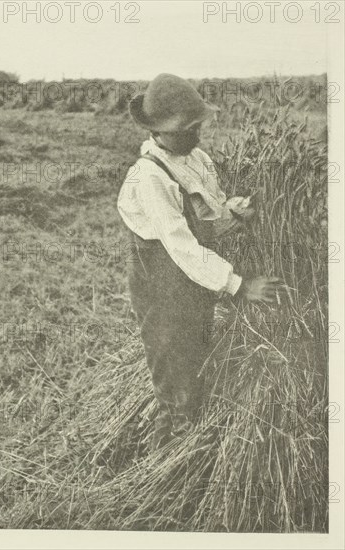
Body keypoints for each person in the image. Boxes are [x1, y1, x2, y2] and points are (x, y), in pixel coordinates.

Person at [117, 73, 283, 451]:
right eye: (189, 128)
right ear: (160, 130)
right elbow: (183, 247)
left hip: (192, 285)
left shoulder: (197, 159)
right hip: (160, 289)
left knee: (196, 364)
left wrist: (232, 213)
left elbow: (206, 220)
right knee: (176, 382)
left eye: (197, 125)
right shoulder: (148, 178)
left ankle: (183, 444)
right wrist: (240, 286)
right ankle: (168, 464)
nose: (197, 134)